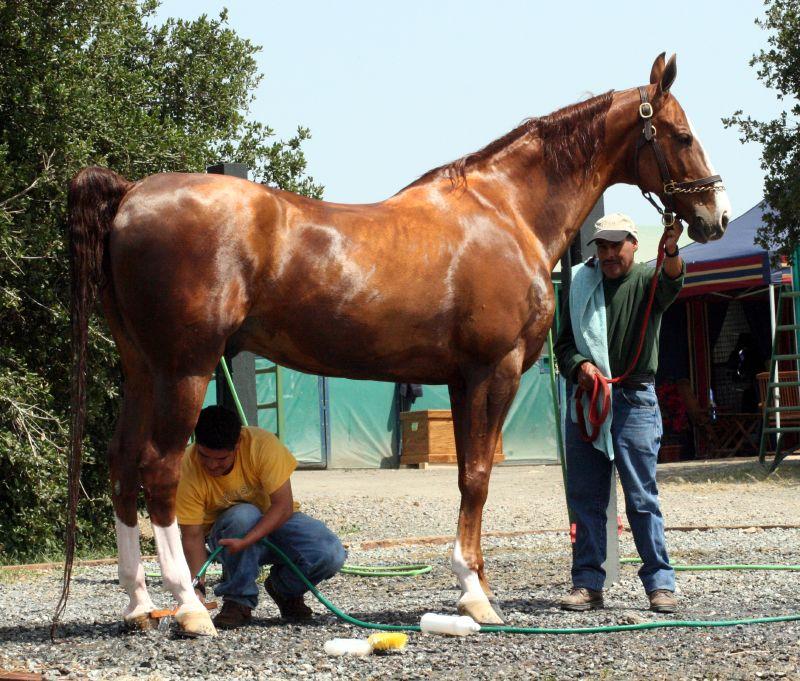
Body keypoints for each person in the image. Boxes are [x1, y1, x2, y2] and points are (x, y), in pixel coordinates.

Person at [554, 212, 684, 614]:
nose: (609, 253)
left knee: (641, 498)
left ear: (634, 244)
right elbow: (563, 345)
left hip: (634, 399)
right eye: (603, 246)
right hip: (588, 400)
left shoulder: (648, 278)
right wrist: (580, 365)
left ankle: (660, 585)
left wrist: (672, 249)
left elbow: (673, 281)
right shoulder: (580, 282)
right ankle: (588, 584)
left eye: (616, 245)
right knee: (585, 498)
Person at [177, 405, 347, 629]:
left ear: (238, 444)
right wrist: (197, 589)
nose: (211, 465)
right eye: (204, 456)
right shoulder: (186, 467)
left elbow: (283, 507)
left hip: (273, 523)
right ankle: (238, 601)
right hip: (228, 538)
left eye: (221, 459)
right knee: (243, 516)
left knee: (330, 553)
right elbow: (192, 535)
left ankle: (284, 590)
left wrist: (247, 540)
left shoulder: (262, 445)